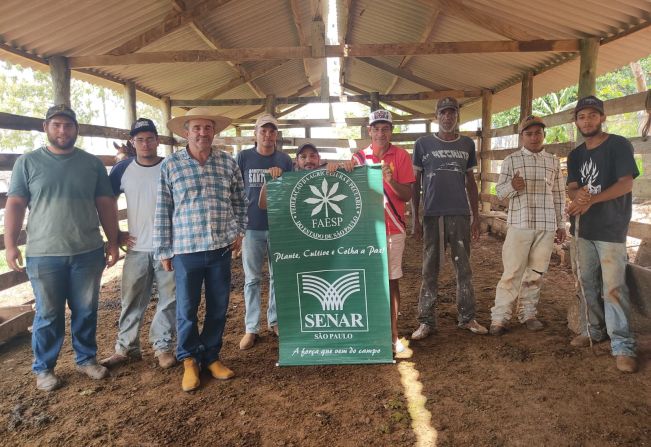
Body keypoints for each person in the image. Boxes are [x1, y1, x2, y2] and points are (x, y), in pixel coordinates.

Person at [5, 104, 119, 391]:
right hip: (44, 253)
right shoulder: (28, 162)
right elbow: (16, 203)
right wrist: (10, 245)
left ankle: (86, 359)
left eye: (68, 126)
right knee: (48, 313)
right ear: (46, 128)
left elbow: (105, 203)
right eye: (56, 125)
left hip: (87, 250)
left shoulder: (91, 163)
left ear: (76, 130)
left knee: (86, 309)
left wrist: (113, 241)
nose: (62, 131)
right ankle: (44, 368)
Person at [154, 108, 247, 391]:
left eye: (207, 128)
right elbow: (163, 209)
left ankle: (211, 356)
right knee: (186, 307)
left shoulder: (227, 163)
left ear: (214, 131)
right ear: (186, 132)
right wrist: (165, 250)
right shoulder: (171, 165)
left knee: (219, 306)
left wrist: (239, 231)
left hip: (220, 246)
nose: (202, 133)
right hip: (186, 248)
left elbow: (240, 201)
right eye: (196, 128)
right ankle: (189, 359)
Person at [566, 95, 639, 373]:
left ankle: (622, 345)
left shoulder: (618, 145)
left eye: (592, 116)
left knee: (613, 289)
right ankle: (593, 330)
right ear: (576, 121)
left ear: (602, 118)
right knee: (586, 283)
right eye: (582, 117)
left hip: (610, 228)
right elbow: (572, 186)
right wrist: (578, 194)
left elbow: (626, 183)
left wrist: (590, 200)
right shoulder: (576, 154)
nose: (587, 121)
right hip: (582, 229)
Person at [100, 118, 177, 370]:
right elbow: (108, 202)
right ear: (133, 143)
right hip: (136, 247)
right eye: (140, 139)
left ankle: (162, 346)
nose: (145, 143)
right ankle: (126, 348)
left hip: (168, 245)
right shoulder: (122, 169)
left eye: (150, 138)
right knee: (131, 298)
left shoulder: (170, 166)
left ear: (157, 141)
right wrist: (116, 234)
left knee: (169, 298)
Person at [411, 97, 488, 339]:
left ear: (457, 116)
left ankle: (467, 317)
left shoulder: (466, 144)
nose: (447, 117)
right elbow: (415, 184)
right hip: (432, 214)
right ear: (436, 116)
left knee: (463, 267)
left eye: (452, 112)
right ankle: (426, 321)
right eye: (443, 113)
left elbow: (471, 183)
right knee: (429, 268)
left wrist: (476, 216)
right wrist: (415, 217)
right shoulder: (422, 144)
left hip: (460, 213)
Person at [345, 109, 415, 353]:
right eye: (377, 128)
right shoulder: (358, 158)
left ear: (391, 131)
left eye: (386, 128)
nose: (381, 132)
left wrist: (391, 180)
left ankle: (393, 335)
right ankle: (370, 330)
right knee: (366, 281)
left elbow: (407, 194)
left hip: (393, 227)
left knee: (392, 280)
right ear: (369, 131)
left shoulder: (402, 156)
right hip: (366, 229)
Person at [489, 116, 566, 335]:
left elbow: (559, 195)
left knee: (536, 273)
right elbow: (500, 193)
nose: (534, 137)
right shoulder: (511, 160)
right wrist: (512, 186)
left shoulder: (552, 161)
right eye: (529, 133)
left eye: (538, 133)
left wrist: (561, 224)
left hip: (546, 225)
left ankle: (528, 313)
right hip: (519, 225)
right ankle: (500, 317)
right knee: (512, 272)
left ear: (544, 135)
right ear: (522, 137)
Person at [236, 113, 293, 350]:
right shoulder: (244, 157)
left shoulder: (284, 159)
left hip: (277, 226)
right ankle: (251, 328)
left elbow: (291, 191)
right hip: (251, 226)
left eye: (272, 131)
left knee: (277, 276)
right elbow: (235, 190)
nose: (267, 135)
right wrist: (236, 226)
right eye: (263, 131)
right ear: (255, 134)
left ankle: (275, 320)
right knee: (252, 279)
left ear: (276, 135)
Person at [259, 142, 322, 209]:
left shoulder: (328, 179)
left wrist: (334, 172)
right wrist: (269, 180)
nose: (308, 160)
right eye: (303, 157)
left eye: (312, 156)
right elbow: (263, 205)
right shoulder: (287, 182)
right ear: (297, 161)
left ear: (319, 158)